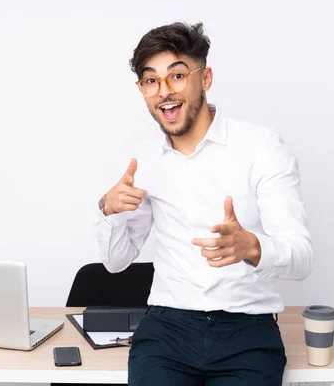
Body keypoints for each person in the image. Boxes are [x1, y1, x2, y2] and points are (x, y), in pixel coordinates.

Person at [92, 22, 313, 386]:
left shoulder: (262, 148)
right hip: (166, 330)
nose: (164, 92)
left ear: (205, 77)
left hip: (247, 332)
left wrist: (252, 246)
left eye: (177, 76)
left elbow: (302, 257)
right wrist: (109, 210)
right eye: (150, 81)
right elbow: (117, 262)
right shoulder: (145, 160)